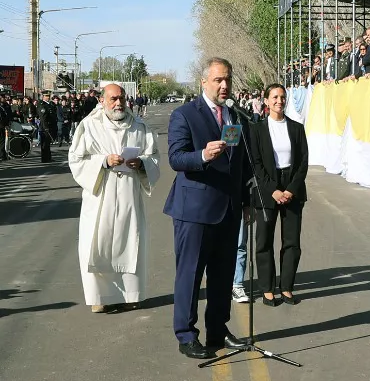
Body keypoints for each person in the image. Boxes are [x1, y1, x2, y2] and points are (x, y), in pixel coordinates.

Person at [164, 58, 252, 360]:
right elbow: (176, 159)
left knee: (222, 275)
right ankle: (187, 335)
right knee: (190, 275)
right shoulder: (184, 115)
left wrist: (246, 201)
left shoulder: (234, 117)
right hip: (195, 211)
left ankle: (217, 328)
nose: (224, 85)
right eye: (218, 80)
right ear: (204, 82)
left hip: (228, 210)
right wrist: (202, 154)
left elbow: (241, 165)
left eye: (227, 79)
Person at [68, 84, 160, 312]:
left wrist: (141, 164)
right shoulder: (89, 126)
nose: (118, 103)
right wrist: (103, 161)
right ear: (102, 101)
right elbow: (76, 159)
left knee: (130, 242)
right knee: (98, 243)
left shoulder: (139, 127)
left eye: (122, 98)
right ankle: (99, 297)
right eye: (113, 99)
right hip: (101, 196)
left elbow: (154, 156)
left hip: (129, 195)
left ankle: (131, 294)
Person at [247, 83, 309, 306]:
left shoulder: (296, 128)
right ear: (266, 101)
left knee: (291, 241)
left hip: (293, 187)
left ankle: (287, 287)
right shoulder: (257, 129)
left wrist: (290, 189)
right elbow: (255, 163)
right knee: (264, 241)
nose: (279, 101)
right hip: (267, 189)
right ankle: (267, 288)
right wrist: (272, 190)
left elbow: (303, 162)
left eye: (282, 97)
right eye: (274, 97)